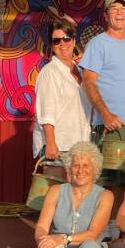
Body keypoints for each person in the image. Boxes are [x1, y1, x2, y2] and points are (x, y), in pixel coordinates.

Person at [79, 0, 125, 185]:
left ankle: (119, 217)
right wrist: (106, 115)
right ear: (106, 16)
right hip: (109, 124)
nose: (119, 13)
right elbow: (88, 82)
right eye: (113, 9)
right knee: (106, 182)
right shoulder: (98, 44)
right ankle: (104, 217)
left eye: (123, 9)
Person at [32, 19, 91, 175]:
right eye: (56, 40)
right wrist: (51, 143)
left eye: (66, 38)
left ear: (73, 40)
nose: (62, 44)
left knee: (73, 196)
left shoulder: (80, 71)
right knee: (54, 195)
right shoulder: (49, 72)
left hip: (79, 144)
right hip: (59, 145)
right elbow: (46, 112)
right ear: (51, 45)